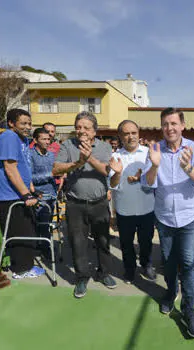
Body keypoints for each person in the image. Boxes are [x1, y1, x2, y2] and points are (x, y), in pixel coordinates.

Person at [141, 107, 194, 338]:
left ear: (182, 125)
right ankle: (171, 293)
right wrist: (155, 165)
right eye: (165, 124)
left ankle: (189, 310)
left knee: (188, 262)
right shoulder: (155, 149)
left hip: (189, 217)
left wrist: (188, 167)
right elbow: (146, 184)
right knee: (168, 261)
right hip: (165, 218)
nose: (169, 128)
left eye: (173, 123)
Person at [53, 111, 114, 298]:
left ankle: (104, 273)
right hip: (75, 204)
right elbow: (56, 169)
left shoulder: (104, 147)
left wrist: (89, 158)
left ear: (94, 131)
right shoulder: (67, 145)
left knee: (103, 241)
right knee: (78, 242)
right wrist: (78, 162)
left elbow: (106, 171)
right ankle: (81, 277)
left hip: (99, 203)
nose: (81, 131)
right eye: (78, 127)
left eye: (86, 128)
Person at [0, 109, 45, 280]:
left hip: (19, 193)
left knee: (27, 230)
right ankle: (21, 269)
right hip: (9, 196)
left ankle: (25, 265)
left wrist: (31, 190)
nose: (28, 127)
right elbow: (10, 168)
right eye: (23, 123)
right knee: (19, 232)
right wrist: (26, 195)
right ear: (11, 123)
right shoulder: (9, 137)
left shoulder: (22, 139)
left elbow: (24, 167)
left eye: (29, 123)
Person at [109, 120, 155, 283]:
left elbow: (154, 179)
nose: (131, 136)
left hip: (147, 208)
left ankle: (146, 265)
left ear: (139, 133)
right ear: (120, 136)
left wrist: (140, 178)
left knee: (146, 241)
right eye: (126, 133)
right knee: (126, 243)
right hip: (125, 210)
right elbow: (112, 185)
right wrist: (118, 173)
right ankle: (129, 269)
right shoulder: (115, 156)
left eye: (133, 133)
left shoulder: (148, 153)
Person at [29, 127, 57, 255]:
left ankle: (45, 246)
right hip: (38, 195)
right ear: (35, 140)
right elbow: (29, 178)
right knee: (40, 224)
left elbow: (56, 174)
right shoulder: (30, 155)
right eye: (44, 139)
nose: (47, 141)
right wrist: (50, 175)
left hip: (52, 195)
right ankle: (44, 250)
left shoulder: (52, 155)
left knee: (47, 224)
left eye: (48, 139)